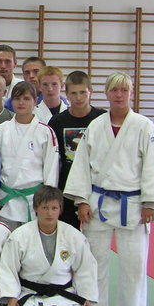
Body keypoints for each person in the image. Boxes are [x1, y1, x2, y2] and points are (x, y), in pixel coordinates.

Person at [64, 72, 154, 306]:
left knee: (135, 261)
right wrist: (81, 201)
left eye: (124, 90)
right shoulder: (96, 126)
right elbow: (81, 165)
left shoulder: (144, 126)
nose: (119, 95)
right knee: (94, 259)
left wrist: (150, 202)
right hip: (98, 201)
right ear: (106, 93)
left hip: (133, 204)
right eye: (114, 90)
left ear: (131, 93)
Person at [0, 186, 98, 306]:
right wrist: (11, 297)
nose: (49, 213)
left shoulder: (73, 236)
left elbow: (85, 268)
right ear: (35, 208)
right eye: (45, 208)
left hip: (63, 295)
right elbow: (8, 269)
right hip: (30, 294)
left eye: (54, 208)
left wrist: (86, 298)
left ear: (60, 210)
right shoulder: (19, 236)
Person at [0, 82, 59, 230]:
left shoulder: (45, 132)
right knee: (6, 240)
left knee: (32, 242)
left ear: (35, 101)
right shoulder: (1, 130)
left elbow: (51, 168)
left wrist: (49, 202)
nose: (21, 103)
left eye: (26, 98)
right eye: (17, 98)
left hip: (35, 200)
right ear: (11, 101)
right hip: (7, 200)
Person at [48, 71, 105, 228]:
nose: (78, 98)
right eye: (73, 93)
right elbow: (53, 158)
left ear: (90, 91)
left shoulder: (102, 119)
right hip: (66, 187)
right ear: (66, 94)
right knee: (66, 234)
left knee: (95, 235)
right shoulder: (57, 121)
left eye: (82, 92)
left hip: (95, 186)